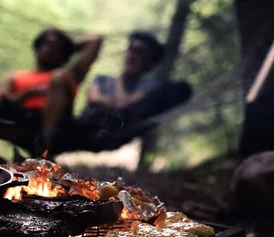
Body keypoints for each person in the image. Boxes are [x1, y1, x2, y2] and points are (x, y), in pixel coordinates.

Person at [0, 27, 103, 157]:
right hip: (18, 116)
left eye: (57, 47)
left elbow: (96, 40)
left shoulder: (69, 75)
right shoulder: (16, 76)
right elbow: (2, 100)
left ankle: (45, 149)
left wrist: (69, 46)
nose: (51, 48)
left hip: (53, 122)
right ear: (38, 46)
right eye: (47, 43)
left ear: (64, 54)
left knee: (58, 78)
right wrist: (30, 93)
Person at [45, 31, 193, 156]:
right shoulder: (102, 78)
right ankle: (45, 144)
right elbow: (93, 99)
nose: (132, 56)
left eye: (139, 52)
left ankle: (46, 146)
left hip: (107, 134)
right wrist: (112, 102)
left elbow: (123, 106)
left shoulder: (150, 88)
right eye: (131, 49)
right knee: (59, 81)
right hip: (80, 126)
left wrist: (120, 80)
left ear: (150, 62)